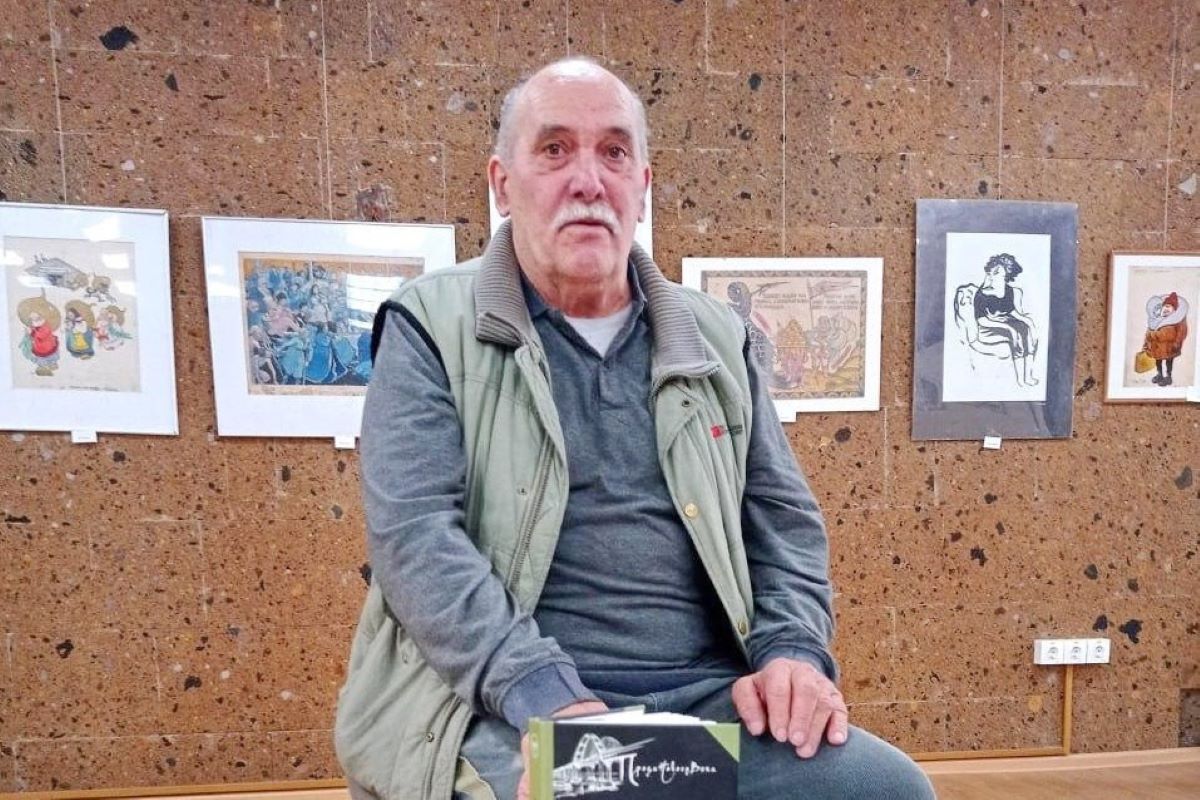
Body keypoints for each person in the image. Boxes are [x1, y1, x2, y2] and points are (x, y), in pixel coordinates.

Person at [335, 58, 934, 800]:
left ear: (642, 186)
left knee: (887, 789)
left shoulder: (717, 338)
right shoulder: (430, 324)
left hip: (707, 701)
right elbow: (416, 539)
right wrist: (549, 701)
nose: (588, 179)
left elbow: (783, 521)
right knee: (608, 793)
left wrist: (792, 652)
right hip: (499, 705)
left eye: (614, 152)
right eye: (555, 149)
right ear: (502, 183)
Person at [1142, 291, 1189, 386]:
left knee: (1169, 362)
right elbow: (1149, 331)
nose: (1167, 309)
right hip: (1157, 348)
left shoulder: (1177, 321)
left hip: (1169, 348)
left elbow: (1181, 332)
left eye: (1170, 307)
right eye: (1165, 306)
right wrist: (1146, 343)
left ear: (1174, 311)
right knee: (1158, 361)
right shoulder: (1157, 319)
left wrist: (1177, 343)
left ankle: (1168, 377)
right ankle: (1159, 374)